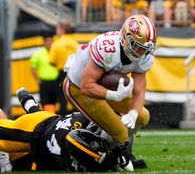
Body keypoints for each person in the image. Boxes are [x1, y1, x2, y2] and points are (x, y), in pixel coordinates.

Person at [0, 53, 134, 172]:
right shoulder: (93, 142)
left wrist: (122, 153)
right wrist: (116, 159)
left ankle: (28, 101)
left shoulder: (100, 120)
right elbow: (76, 143)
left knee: (15, 155)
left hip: (47, 121)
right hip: (33, 133)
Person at [63, 14, 157, 169]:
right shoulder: (107, 48)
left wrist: (133, 114)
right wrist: (113, 95)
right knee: (120, 133)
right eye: (138, 46)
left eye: (145, 49)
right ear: (126, 39)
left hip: (106, 87)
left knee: (142, 116)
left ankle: (117, 151)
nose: (141, 53)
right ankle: (100, 157)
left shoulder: (144, 56)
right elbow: (87, 86)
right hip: (78, 88)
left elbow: (139, 92)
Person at [49, 20, 79, 116]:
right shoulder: (75, 43)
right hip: (74, 73)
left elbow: (52, 61)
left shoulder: (56, 44)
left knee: (62, 99)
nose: (56, 31)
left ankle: (62, 118)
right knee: (75, 97)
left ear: (62, 29)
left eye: (57, 28)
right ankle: (78, 117)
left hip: (62, 73)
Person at [30, 35, 59, 113]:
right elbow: (33, 68)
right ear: (44, 42)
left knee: (54, 101)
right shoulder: (39, 54)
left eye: (51, 41)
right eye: (48, 41)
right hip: (44, 82)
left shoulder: (55, 52)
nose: (50, 43)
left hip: (55, 81)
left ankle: (53, 116)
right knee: (45, 101)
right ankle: (46, 117)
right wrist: (37, 80)